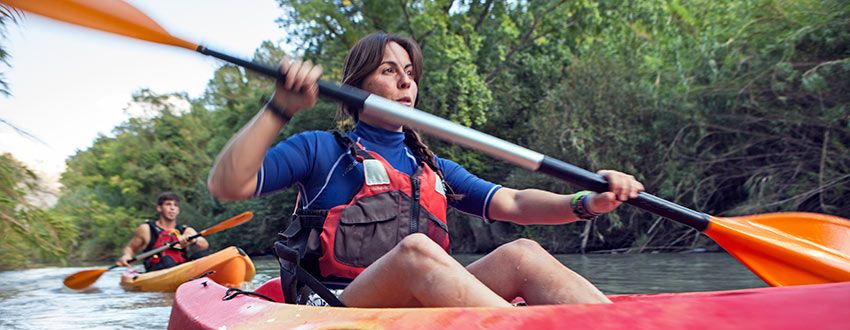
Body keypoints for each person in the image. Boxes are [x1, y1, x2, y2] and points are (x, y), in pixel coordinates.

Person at [208, 32, 644, 308]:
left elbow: (513, 201)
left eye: (411, 74)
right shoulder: (321, 151)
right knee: (417, 252)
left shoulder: (432, 168)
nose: (405, 83)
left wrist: (586, 202)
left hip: (413, 309)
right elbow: (228, 184)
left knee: (522, 255)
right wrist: (279, 107)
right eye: (389, 71)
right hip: (334, 306)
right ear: (357, 87)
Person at [116, 192, 210, 271]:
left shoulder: (186, 230)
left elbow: (204, 244)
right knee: (167, 260)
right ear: (159, 208)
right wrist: (126, 256)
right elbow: (131, 248)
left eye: (175, 205)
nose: (172, 208)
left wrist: (194, 240)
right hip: (157, 270)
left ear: (178, 210)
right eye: (168, 204)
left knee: (202, 256)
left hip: (181, 269)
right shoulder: (146, 229)